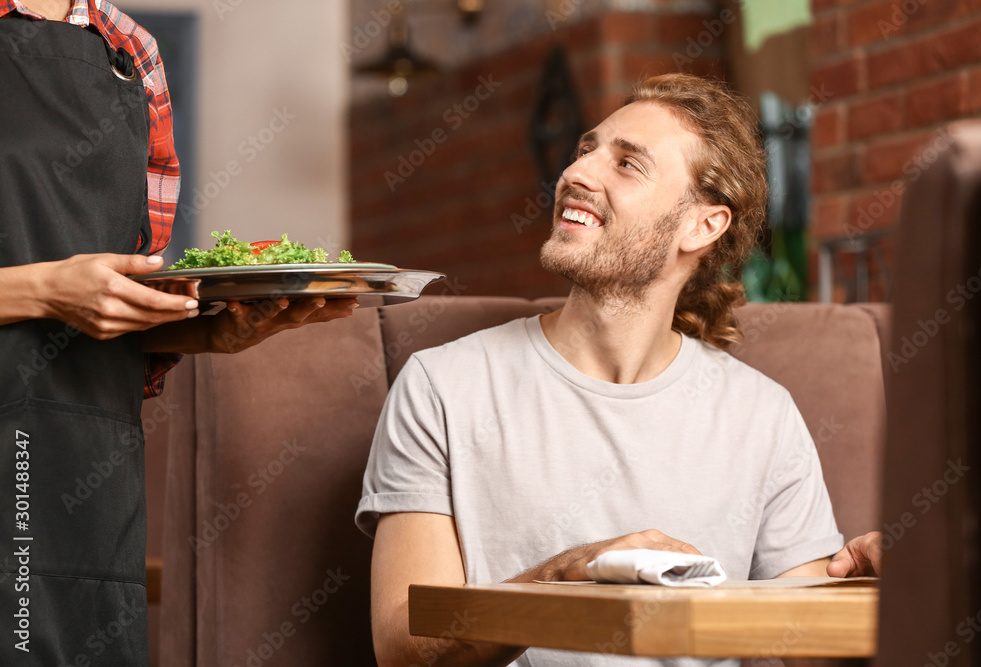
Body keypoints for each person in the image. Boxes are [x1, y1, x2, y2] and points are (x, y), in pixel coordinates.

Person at [355, 73, 883, 667]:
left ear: (703, 225)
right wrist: (567, 575)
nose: (577, 174)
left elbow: (809, 648)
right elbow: (404, 648)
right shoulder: (441, 387)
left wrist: (903, 595)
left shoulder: (762, 413)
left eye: (628, 164)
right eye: (587, 150)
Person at [0, 0, 355, 663]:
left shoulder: (134, 53)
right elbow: (67, 290)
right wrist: (44, 289)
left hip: (83, 466)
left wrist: (208, 333)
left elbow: (117, 306)